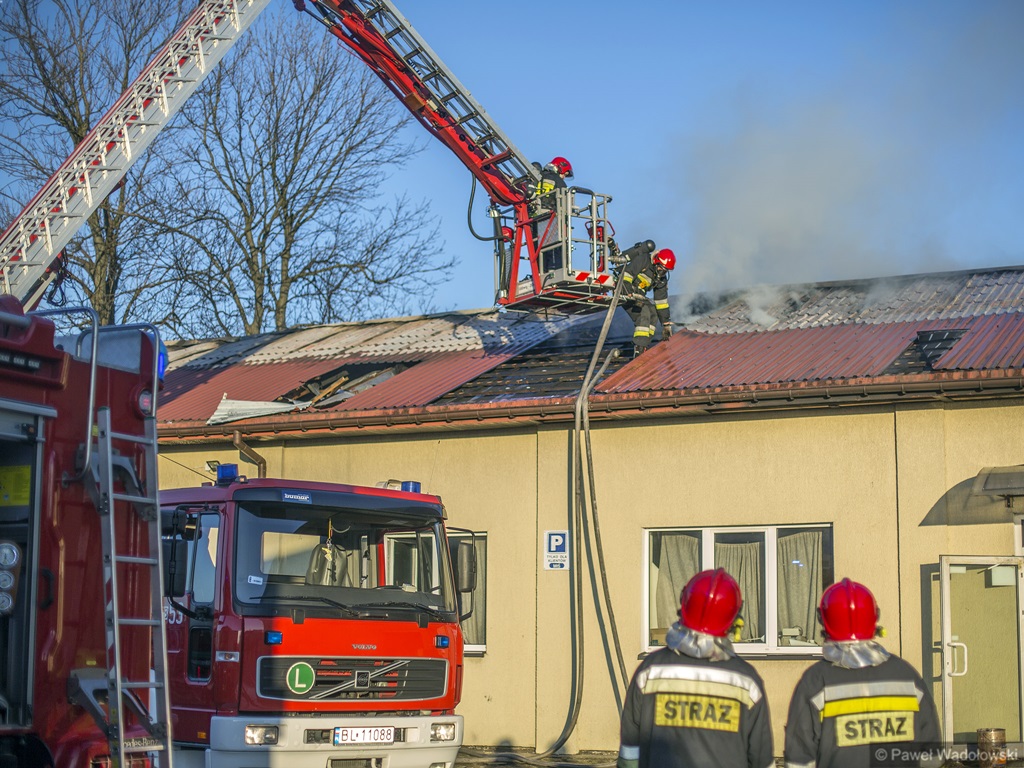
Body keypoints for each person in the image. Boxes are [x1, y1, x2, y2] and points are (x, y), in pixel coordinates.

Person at [618, 568, 775, 768]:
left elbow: (630, 752)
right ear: (734, 618)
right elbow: (761, 759)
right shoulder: (747, 682)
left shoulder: (649, 672)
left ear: (684, 604)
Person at [784, 579, 942, 768]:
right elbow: (933, 757)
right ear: (874, 617)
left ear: (823, 620)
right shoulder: (908, 676)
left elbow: (798, 762)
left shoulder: (815, 682)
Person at [614, 239, 676, 353]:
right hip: (624, 291)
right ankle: (639, 347)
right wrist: (628, 291)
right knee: (644, 312)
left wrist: (666, 323)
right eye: (661, 269)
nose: (662, 273)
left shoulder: (661, 279)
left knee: (653, 313)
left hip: (638, 296)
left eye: (665, 271)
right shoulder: (643, 260)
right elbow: (627, 274)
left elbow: (661, 302)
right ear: (656, 261)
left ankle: (645, 343)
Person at [529, 156, 574, 272]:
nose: (564, 177)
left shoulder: (538, 178)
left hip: (533, 222)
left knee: (537, 251)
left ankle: (539, 273)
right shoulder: (559, 181)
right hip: (551, 220)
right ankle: (554, 271)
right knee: (555, 251)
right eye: (565, 174)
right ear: (561, 168)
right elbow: (564, 206)